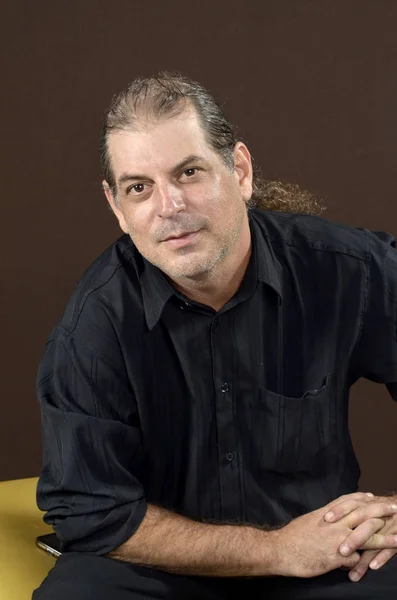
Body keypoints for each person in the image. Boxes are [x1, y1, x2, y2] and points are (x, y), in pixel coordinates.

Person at [33, 72, 397, 599]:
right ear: (116, 206)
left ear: (240, 171)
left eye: (189, 172)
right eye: (140, 187)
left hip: (329, 558)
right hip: (160, 567)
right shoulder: (95, 323)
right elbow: (90, 509)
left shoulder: (348, 271)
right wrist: (276, 551)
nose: (169, 206)